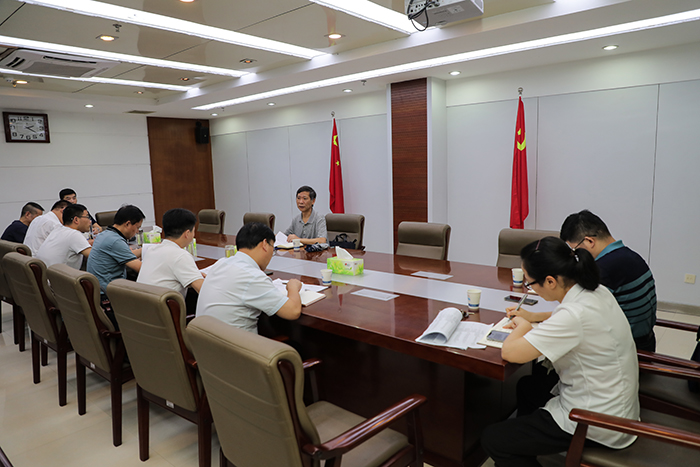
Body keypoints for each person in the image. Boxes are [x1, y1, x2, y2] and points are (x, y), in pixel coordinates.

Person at [481, 237, 639, 467]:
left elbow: (510, 352)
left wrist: (523, 326)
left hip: (594, 422)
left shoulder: (573, 316)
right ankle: (526, 447)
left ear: (550, 281)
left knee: (493, 439)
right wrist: (535, 316)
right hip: (616, 407)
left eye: (530, 284)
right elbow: (566, 315)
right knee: (528, 387)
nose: (530, 288)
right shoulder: (596, 290)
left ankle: (519, 447)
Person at [560, 209, 657, 351]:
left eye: (576, 250)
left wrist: (537, 316)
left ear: (589, 241)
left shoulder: (603, 269)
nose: (577, 256)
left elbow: (578, 315)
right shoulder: (631, 256)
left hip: (627, 350)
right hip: (646, 341)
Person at [197, 222, 302, 333]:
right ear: (265, 244)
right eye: (273, 249)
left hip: (203, 340)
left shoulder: (221, 263)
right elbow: (293, 311)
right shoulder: (253, 276)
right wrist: (293, 287)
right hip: (235, 343)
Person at [137, 208, 204, 297]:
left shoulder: (151, 250)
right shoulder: (181, 256)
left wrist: (194, 274)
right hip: (163, 305)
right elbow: (203, 290)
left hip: (142, 303)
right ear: (187, 233)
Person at [87, 205, 144, 296]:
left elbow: (127, 254)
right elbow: (141, 268)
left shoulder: (105, 234)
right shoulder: (115, 241)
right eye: (137, 227)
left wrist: (146, 249)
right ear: (128, 224)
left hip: (98, 289)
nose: (137, 231)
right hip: (107, 294)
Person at [36, 203, 92, 269]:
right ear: (76, 219)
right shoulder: (74, 234)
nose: (90, 221)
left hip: (47, 272)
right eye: (87, 217)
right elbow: (95, 257)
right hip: (58, 274)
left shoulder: (58, 230)